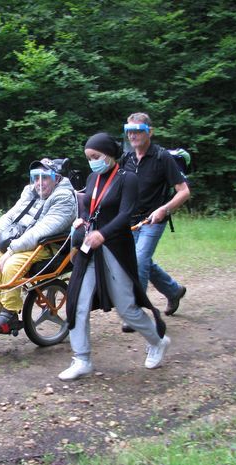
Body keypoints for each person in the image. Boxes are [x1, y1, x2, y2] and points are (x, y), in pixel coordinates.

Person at [59, 132, 170, 381]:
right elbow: (91, 207)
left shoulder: (127, 178)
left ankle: (157, 341)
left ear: (109, 155)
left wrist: (103, 234)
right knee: (77, 301)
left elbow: (125, 214)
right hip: (90, 248)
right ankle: (82, 359)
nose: (92, 162)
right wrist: (83, 220)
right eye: (89, 157)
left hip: (116, 248)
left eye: (96, 156)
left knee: (127, 308)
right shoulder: (92, 177)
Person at [0, 158, 76, 334]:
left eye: (45, 178)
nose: (39, 183)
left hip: (47, 246)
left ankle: (10, 314)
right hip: (23, 243)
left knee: (12, 264)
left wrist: (11, 250)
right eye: (36, 178)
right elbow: (12, 215)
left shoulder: (64, 198)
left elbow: (42, 231)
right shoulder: (30, 192)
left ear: (56, 178)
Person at [121, 112, 191, 319]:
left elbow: (184, 191)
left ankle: (135, 313)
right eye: (129, 131)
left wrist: (163, 210)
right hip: (131, 221)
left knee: (139, 261)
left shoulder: (162, 157)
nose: (133, 135)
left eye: (138, 130)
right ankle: (173, 291)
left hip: (153, 220)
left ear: (149, 132)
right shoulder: (127, 158)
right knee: (144, 262)